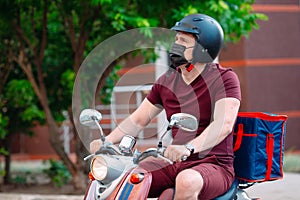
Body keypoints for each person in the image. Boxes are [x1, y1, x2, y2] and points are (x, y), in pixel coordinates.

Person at [90, 13, 241, 200]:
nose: (176, 45)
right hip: (174, 162)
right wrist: (107, 141)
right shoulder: (167, 81)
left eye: (184, 41)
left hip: (214, 164)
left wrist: (188, 148)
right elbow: (138, 119)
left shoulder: (224, 78)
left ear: (203, 49)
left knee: (186, 181)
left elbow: (223, 124)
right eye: (176, 39)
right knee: (121, 178)